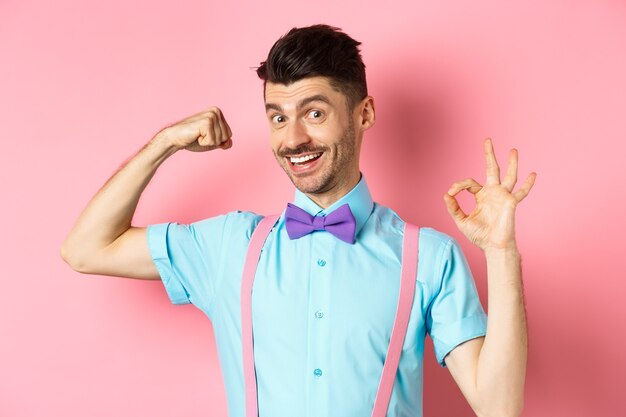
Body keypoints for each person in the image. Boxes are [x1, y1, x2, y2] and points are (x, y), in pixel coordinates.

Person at [61, 24, 535, 417]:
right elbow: (85, 249)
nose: (294, 138)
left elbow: (499, 406)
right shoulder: (228, 245)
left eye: (313, 112)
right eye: (278, 117)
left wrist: (501, 252)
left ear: (364, 114)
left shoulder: (429, 257)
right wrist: (163, 143)